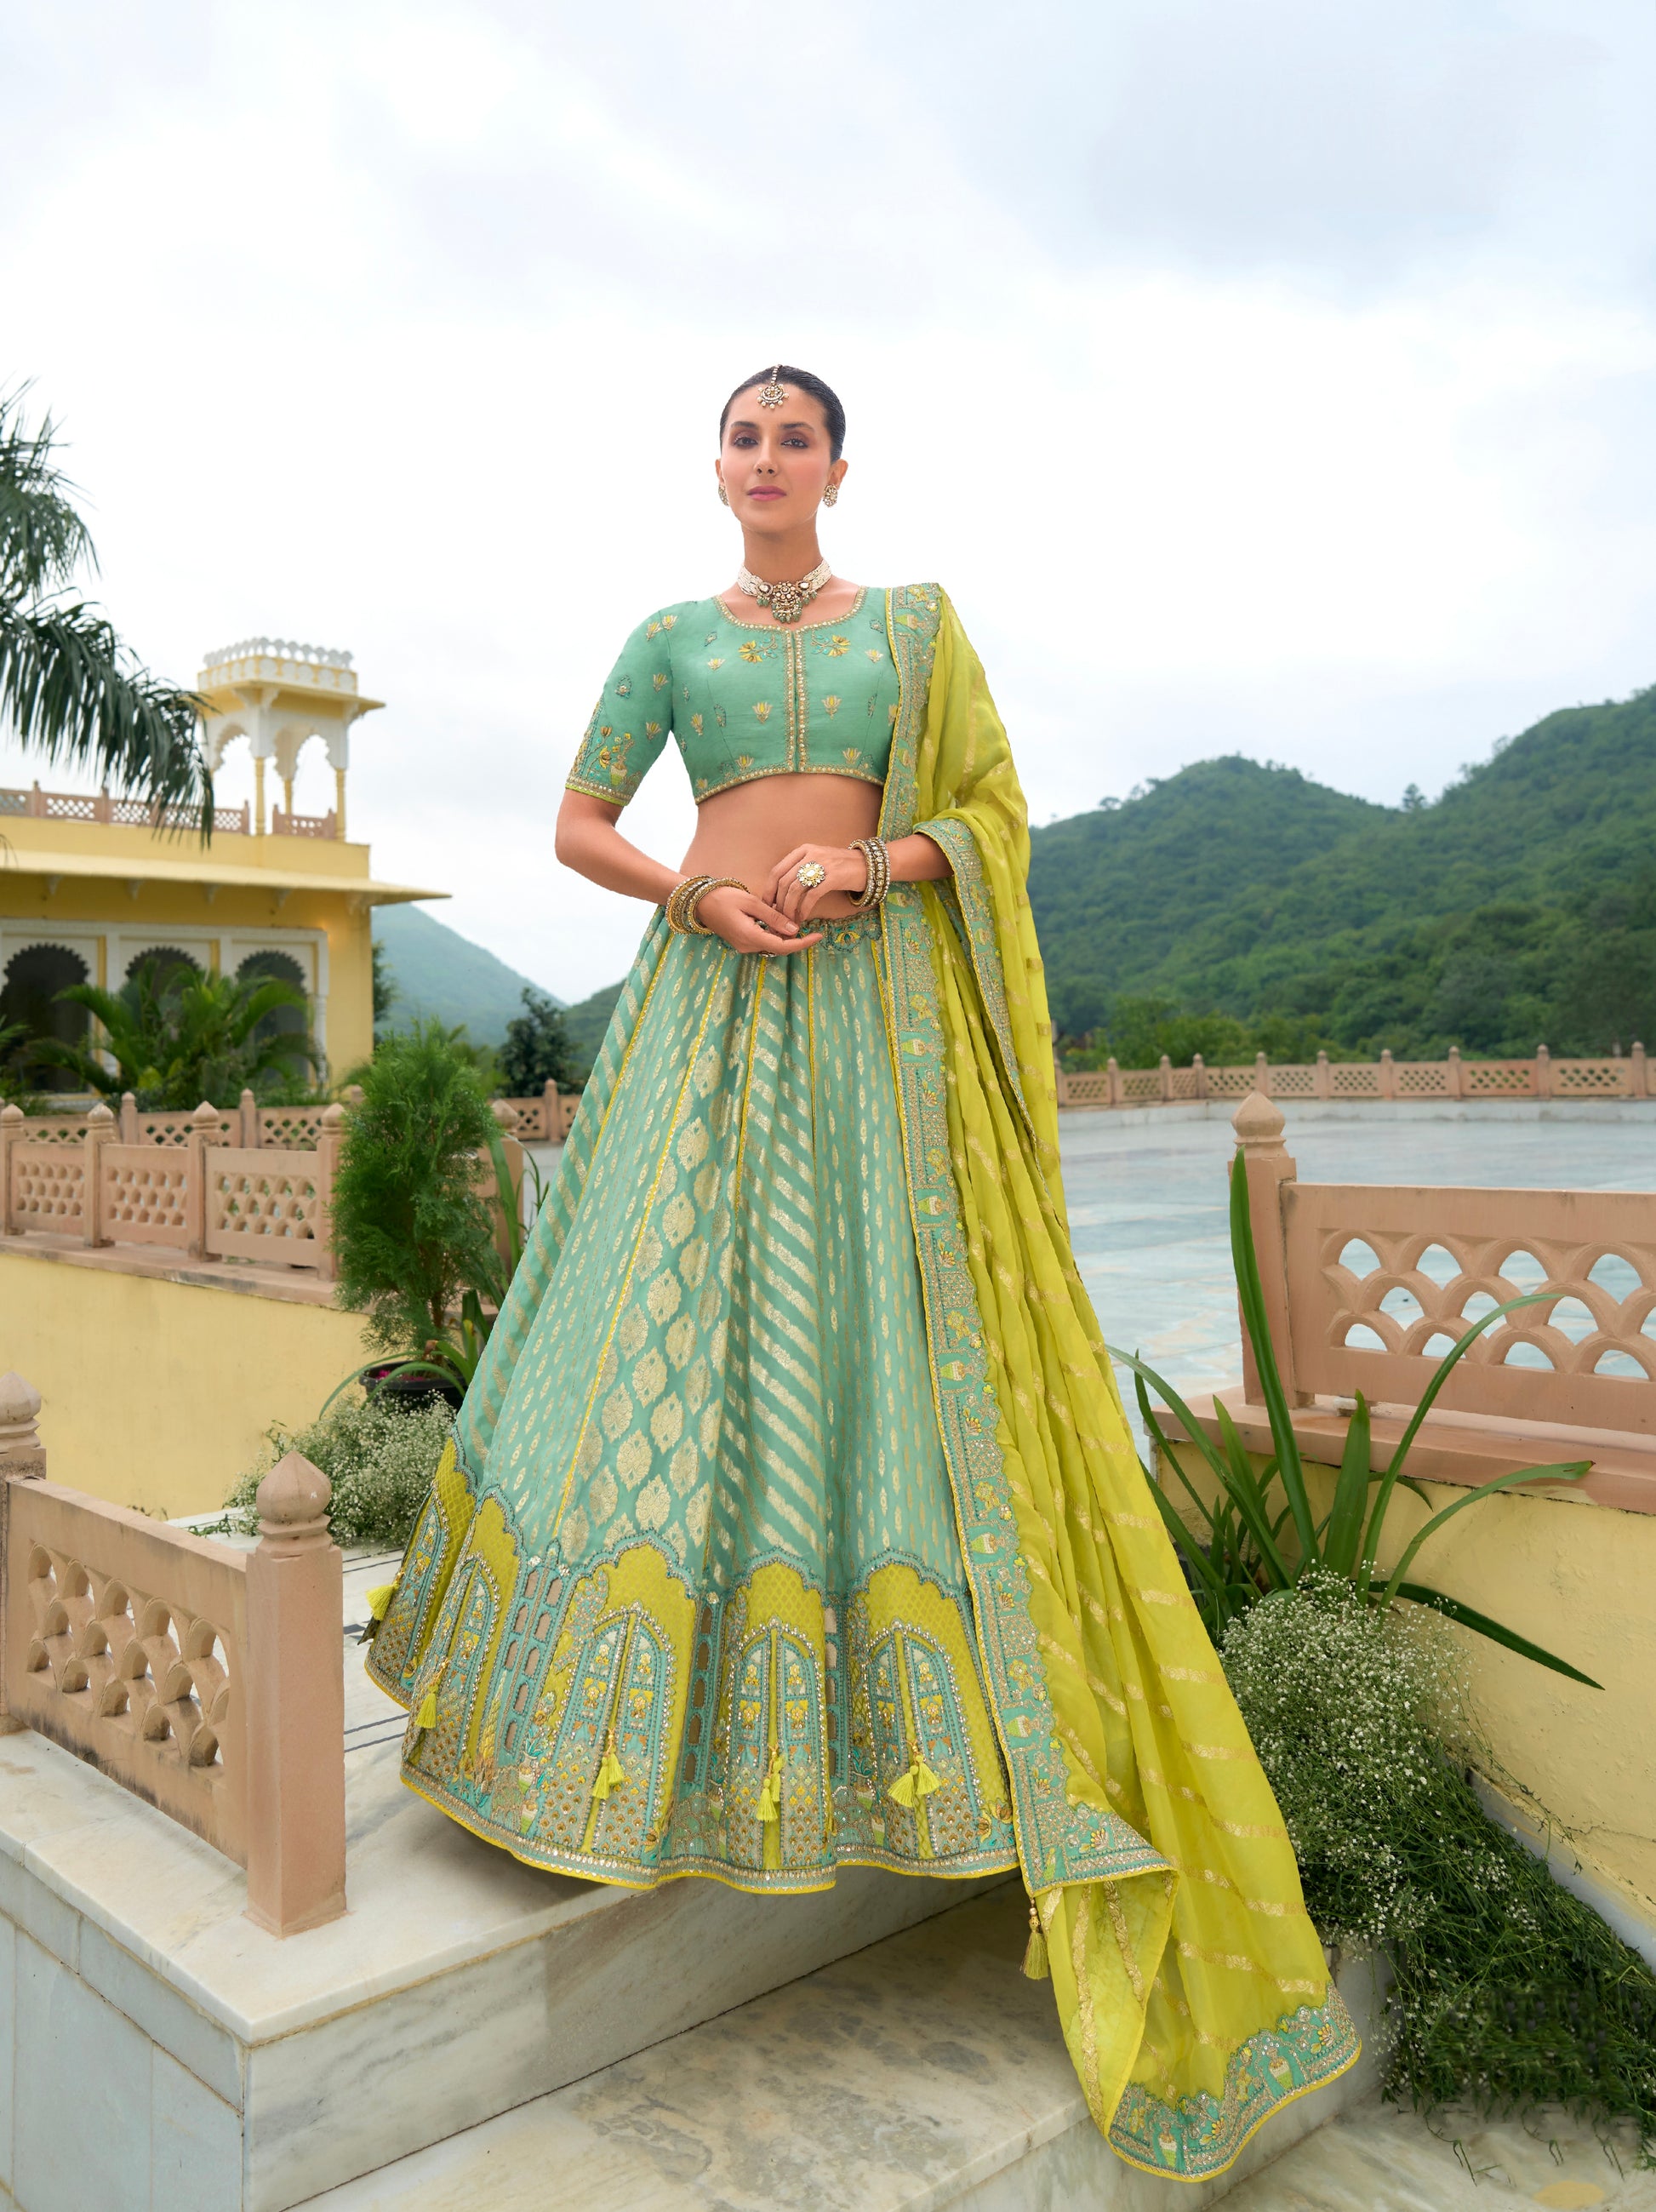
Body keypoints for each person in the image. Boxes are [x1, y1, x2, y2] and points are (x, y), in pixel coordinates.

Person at [366, 365, 1356, 2178]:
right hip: (706, 1012)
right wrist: (693, 893)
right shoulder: (669, 639)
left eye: (793, 437)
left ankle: (891, 1743)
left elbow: (991, 818)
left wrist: (878, 861)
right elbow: (579, 824)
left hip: (875, 1033)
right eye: (743, 438)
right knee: (662, 1341)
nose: (767, 460)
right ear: (713, 469)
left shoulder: (912, 631)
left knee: (879, 1346)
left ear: (836, 465)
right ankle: (598, 1739)